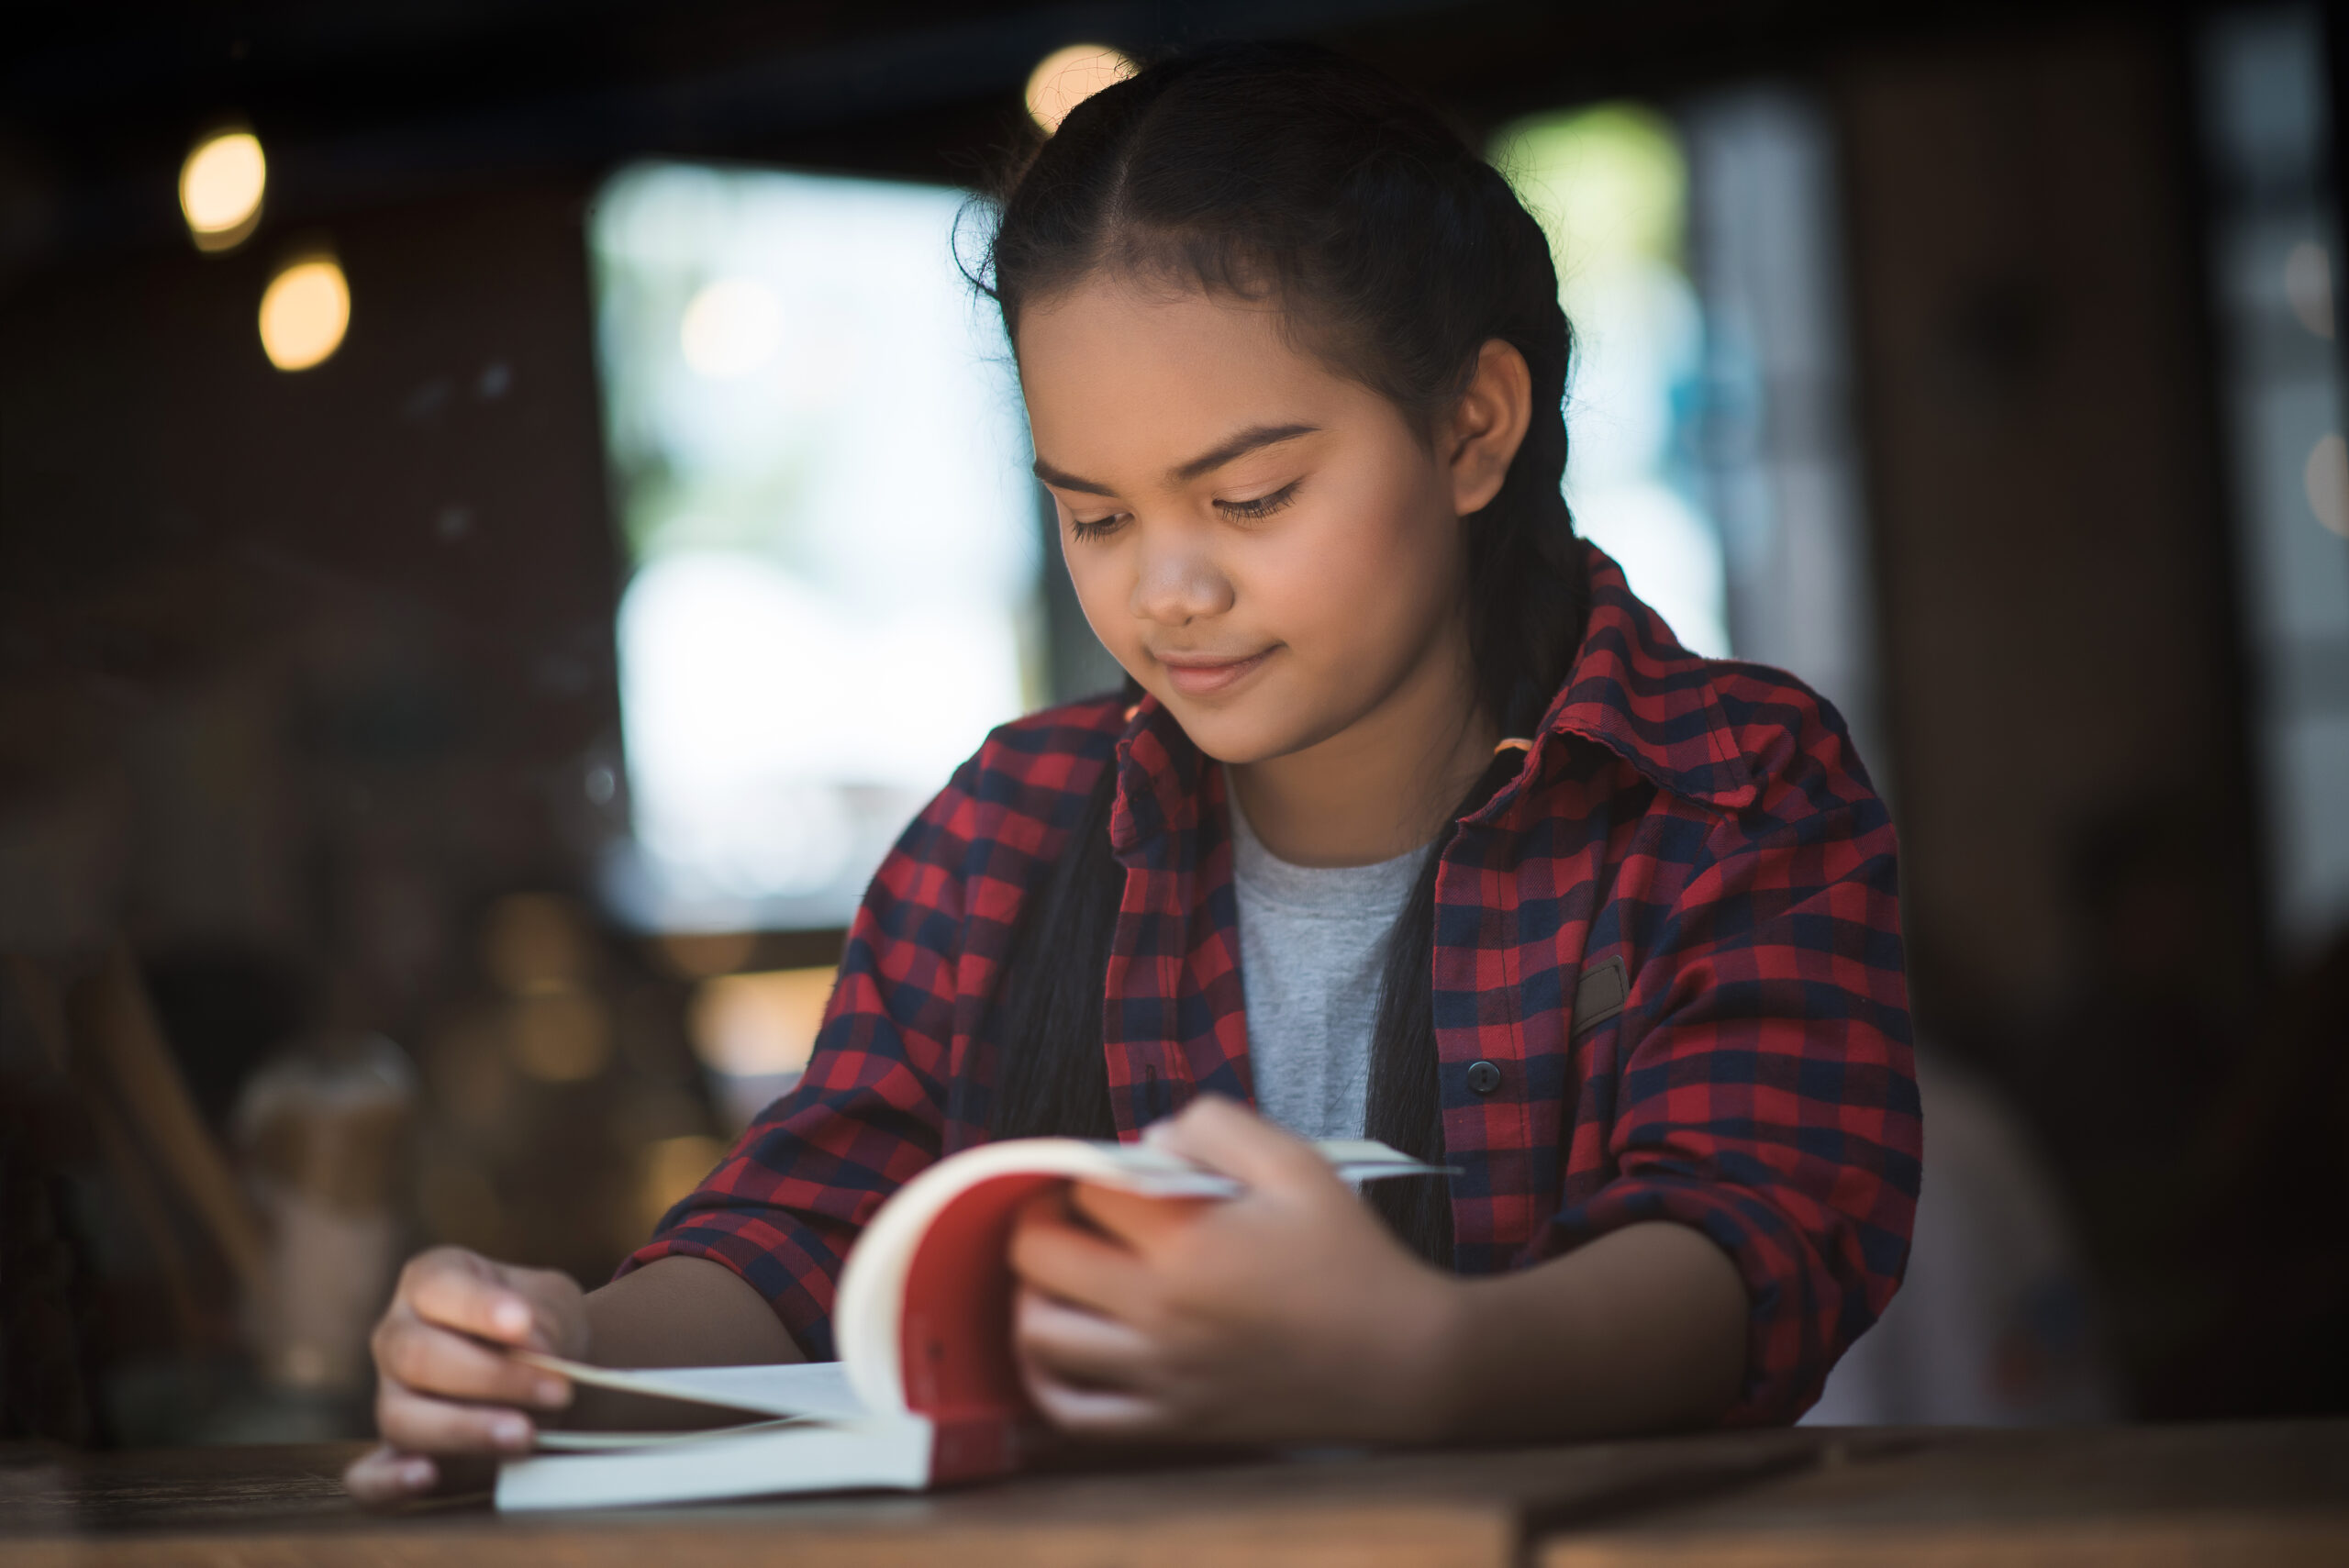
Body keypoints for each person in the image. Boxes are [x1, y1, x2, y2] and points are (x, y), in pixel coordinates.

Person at [347, 41, 1919, 1501]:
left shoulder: (1723, 788)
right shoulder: (1011, 826)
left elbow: (1753, 1227)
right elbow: (810, 1222)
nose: (1166, 590)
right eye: (1095, 517)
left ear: (1472, 427)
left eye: (1249, 497)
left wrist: (1429, 1360)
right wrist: (552, 1352)